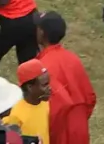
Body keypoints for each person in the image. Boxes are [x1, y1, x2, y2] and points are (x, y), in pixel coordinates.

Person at [34, 10, 96, 144]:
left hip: (59, 135)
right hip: (80, 131)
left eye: (37, 27)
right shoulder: (73, 59)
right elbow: (90, 97)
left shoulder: (42, 69)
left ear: (42, 33)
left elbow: (52, 112)